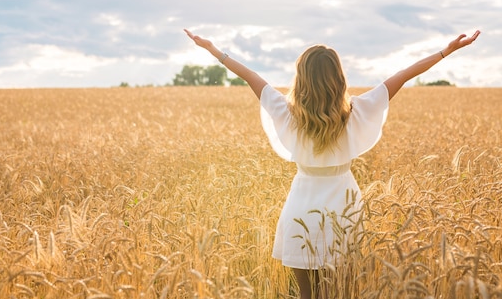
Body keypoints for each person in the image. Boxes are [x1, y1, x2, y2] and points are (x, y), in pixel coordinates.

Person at [184, 28, 480, 299]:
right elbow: (402, 75)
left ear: (301, 78)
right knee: (341, 292)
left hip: (301, 206)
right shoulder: (357, 111)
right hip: (344, 207)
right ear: (338, 78)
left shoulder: (287, 113)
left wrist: (213, 49)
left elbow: (250, 76)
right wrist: (447, 51)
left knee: (307, 296)